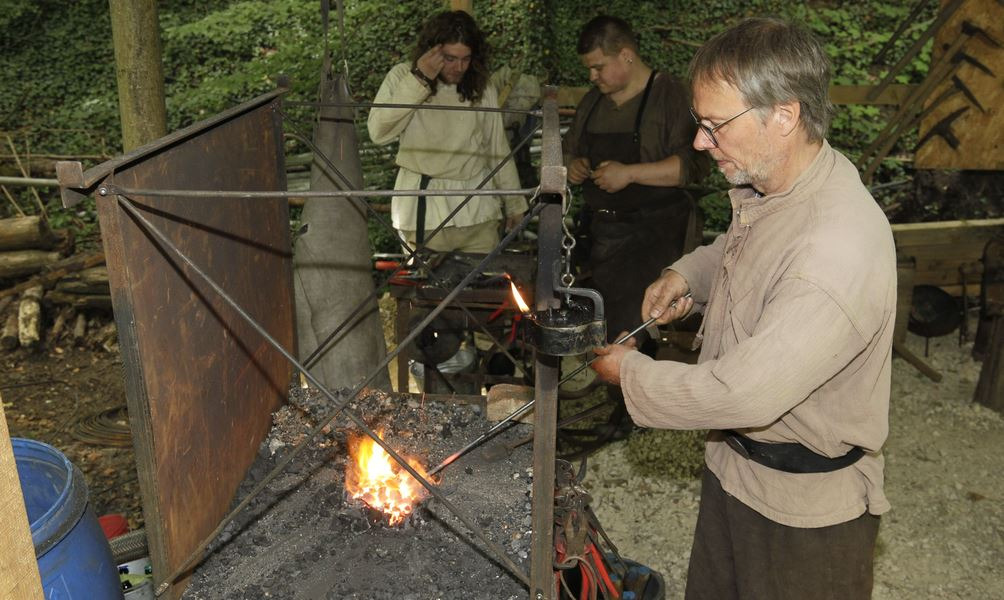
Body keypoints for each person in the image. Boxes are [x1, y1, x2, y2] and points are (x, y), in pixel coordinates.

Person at [591, 17, 896, 599]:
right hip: (734, 469)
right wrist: (690, 275)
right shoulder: (788, 182)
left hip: (801, 517)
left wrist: (631, 374)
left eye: (713, 126)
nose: (702, 143)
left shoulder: (838, 249)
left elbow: (742, 394)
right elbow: (743, 244)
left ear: (784, 115)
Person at [563, 15, 708, 434]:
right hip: (604, 233)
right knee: (605, 318)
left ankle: (640, 408)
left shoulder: (671, 96)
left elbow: (694, 166)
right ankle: (619, 395)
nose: (593, 76)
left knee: (639, 319)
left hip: (655, 232)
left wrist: (630, 173)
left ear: (626, 55)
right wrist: (574, 166)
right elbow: (572, 148)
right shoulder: (594, 101)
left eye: (598, 66)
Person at [367, 10, 527, 254]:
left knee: (484, 290)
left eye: (466, 59)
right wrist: (419, 80)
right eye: (450, 59)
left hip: (479, 214)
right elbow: (378, 132)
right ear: (432, 52)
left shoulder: (480, 86)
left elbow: (496, 147)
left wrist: (515, 203)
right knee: (426, 291)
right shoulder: (402, 77)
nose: (459, 67)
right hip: (425, 213)